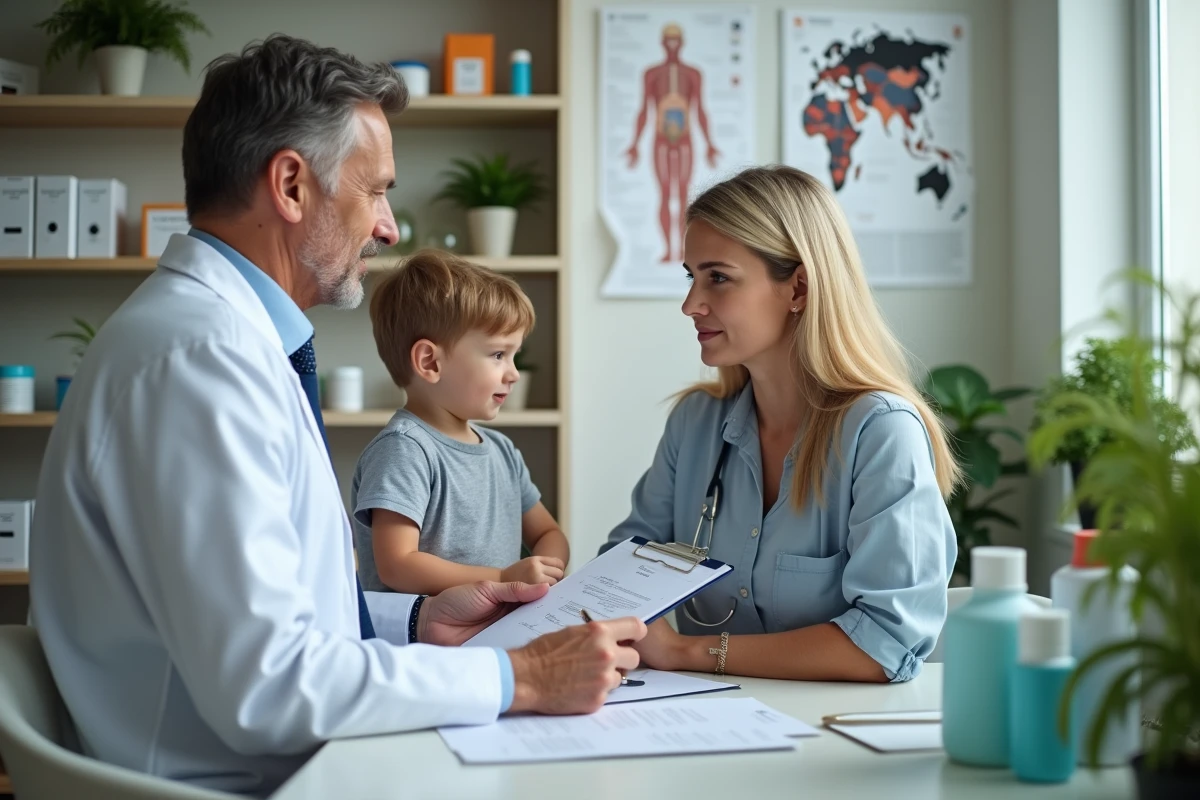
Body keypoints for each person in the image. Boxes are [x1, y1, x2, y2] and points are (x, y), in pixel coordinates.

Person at [29, 35, 643, 797]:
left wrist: (417, 626)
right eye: (376, 190)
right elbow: (271, 690)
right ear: (291, 185)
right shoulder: (200, 361)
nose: (387, 227)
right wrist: (519, 675)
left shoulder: (229, 345)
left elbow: (276, 633)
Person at [600, 165, 957, 684]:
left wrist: (687, 653)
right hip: (698, 724)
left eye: (717, 277)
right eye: (691, 277)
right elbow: (625, 570)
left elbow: (885, 644)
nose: (690, 305)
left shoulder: (880, 433)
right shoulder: (695, 423)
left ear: (798, 289)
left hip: (832, 738)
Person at [351, 250, 570, 596]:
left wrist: (543, 573)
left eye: (515, 356)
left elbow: (548, 533)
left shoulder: (503, 452)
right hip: (424, 647)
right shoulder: (404, 451)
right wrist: (503, 579)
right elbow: (397, 565)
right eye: (499, 355)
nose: (513, 374)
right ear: (430, 363)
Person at [625, 23, 720, 263]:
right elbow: (643, 110)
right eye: (668, 40)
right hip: (660, 141)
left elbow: (701, 110)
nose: (672, 45)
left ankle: (683, 251)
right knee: (666, 193)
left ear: (682, 42)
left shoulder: (693, 74)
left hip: (686, 141)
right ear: (662, 42)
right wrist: (634, 143)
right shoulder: (651, 74)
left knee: (685, 194)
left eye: (676, 40)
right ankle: (670, 249)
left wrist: (709, 143)